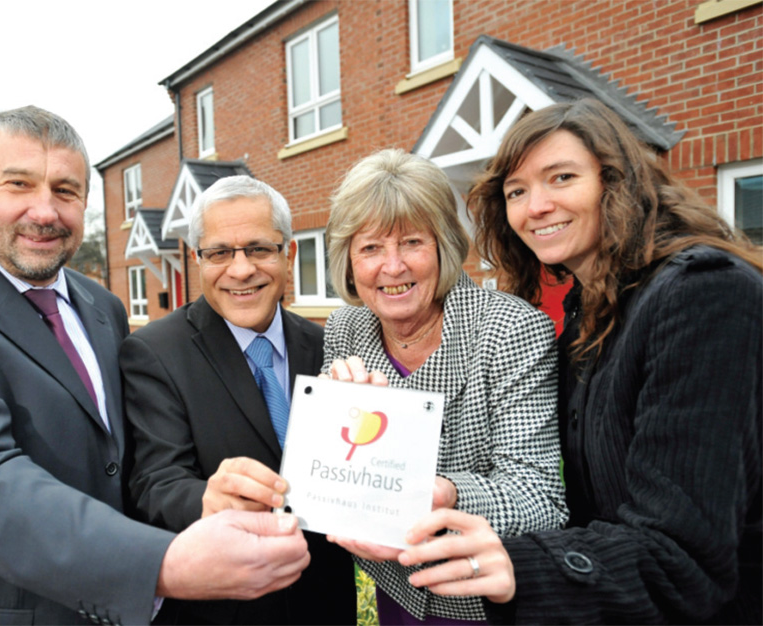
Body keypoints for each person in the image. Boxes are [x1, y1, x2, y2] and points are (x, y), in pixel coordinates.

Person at [0, 106, 311, 626]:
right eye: (19, 185)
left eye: (65, 190)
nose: (45, 210)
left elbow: (124, 465)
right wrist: (162, 563)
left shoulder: (102, 308)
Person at [396, 98, 763, 624]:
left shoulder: (704, 293)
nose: (535, 206)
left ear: (615, 183)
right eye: (516, 191)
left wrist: (521, 568)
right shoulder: (588, 308)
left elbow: (684, 555)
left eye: (561, 177)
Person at [321, 149, 569, 623]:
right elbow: (343, 472)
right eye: (371, 248)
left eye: (412, 242)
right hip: (395, 585)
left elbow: (539, 499)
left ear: (445, 246)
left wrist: (441, 493)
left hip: (483, 599)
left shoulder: (511, 331)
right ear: (348, 261)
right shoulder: (345, 329)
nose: (392, 268)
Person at [119, 175, 356, 625]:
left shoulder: (327, 344)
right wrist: (207, 499)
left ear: (288, 253)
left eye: (259, 249)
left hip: (325, 603)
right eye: (220, 253)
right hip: (222, 611)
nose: (242, 269)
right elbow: (154, 481)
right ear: (197, 259)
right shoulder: (154, 352)